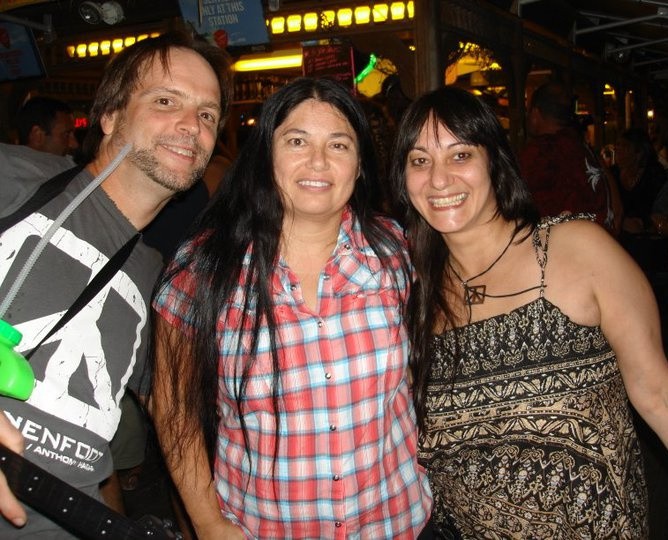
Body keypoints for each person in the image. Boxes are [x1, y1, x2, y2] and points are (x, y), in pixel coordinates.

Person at [150, 76, 432, 539]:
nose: (317, 161)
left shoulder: (397, 253)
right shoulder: (206, 264)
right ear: (266, 156)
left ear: (360, 164)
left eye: (338, 145)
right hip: (264, 527)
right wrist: (207, 522)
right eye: (296, 141)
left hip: (396, 521)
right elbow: (174, 404)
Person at [389, 85, 668, 538]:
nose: (438, 179)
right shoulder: (412, 295)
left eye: (460, 156)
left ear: (495, 162)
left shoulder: (575, 249)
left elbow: (658, 393)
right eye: (420, 160)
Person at [0, 30, 232, 538]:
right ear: (109, 116)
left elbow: (172, 415)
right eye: (166, 101)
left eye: (208, 114)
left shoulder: (162, 279)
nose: (191, 125)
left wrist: (211, 523)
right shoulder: (15, 178)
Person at [519, 81, 619, 234]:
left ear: (535, 114)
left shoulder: (538, 155)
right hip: (603, 247)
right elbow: (617, 210)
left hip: (566, 252)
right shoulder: (586, 151)